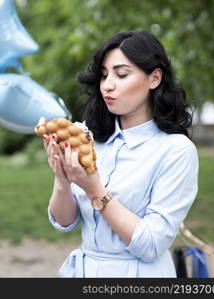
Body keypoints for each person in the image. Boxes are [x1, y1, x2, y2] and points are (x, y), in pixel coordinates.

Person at [43, 30, 199, 278]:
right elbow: (64, 222)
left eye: (121, 74)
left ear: (154, 78)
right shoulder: (90, 138)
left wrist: (94, 189)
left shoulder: (176, 150)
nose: (108, 85)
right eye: (104, 75)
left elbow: (151, 245)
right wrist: (62, 177)